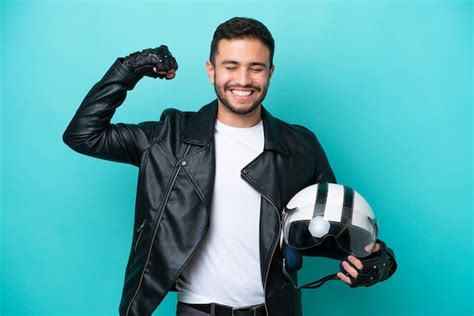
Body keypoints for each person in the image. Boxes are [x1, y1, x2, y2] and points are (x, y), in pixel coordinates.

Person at [63, 17, 396, 316]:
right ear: (212, 70)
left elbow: (332, 228)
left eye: (256, 67)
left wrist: (377, 261)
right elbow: (83, 135)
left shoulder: (300, 146)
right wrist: (129, 68)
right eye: (231, 66)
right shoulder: (167, 138)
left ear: (270, 72)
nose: (243, 79)